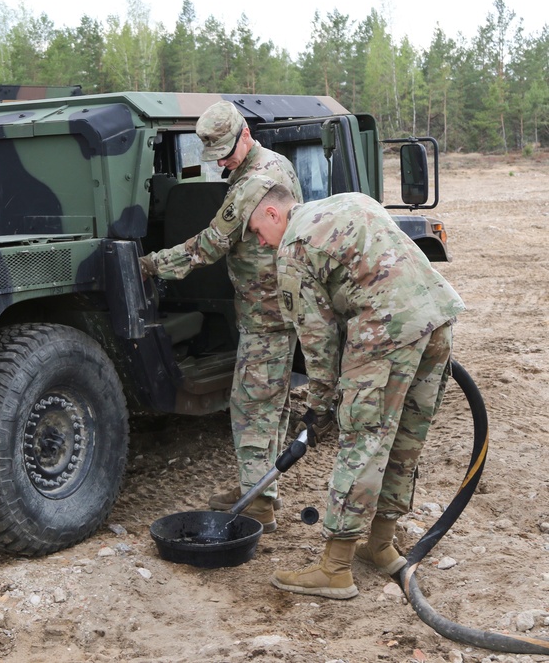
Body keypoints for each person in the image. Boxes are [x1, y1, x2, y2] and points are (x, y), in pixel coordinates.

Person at [237, 176, 466, 599]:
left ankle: (336, 568)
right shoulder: (349, 201)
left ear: (273, 213)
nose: (261, 243)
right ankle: (380, 545)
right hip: (437, 319)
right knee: (404, 438)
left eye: (256, 231)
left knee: (363, 443)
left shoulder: (292, 248)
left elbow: (318, 343)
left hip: (385, 332)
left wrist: (320, 406)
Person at [138, 100, 305, 532]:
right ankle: (260, 488)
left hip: (266, 314)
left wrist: (152, 264)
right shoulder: (278, 163)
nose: (223, 163)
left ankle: (258, 506)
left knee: (250, 406)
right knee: (273, 404)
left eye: (227, 153)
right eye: (217, 157)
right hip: (279, 306)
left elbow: (210, 245)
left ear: (245, 133)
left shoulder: (254, 183)